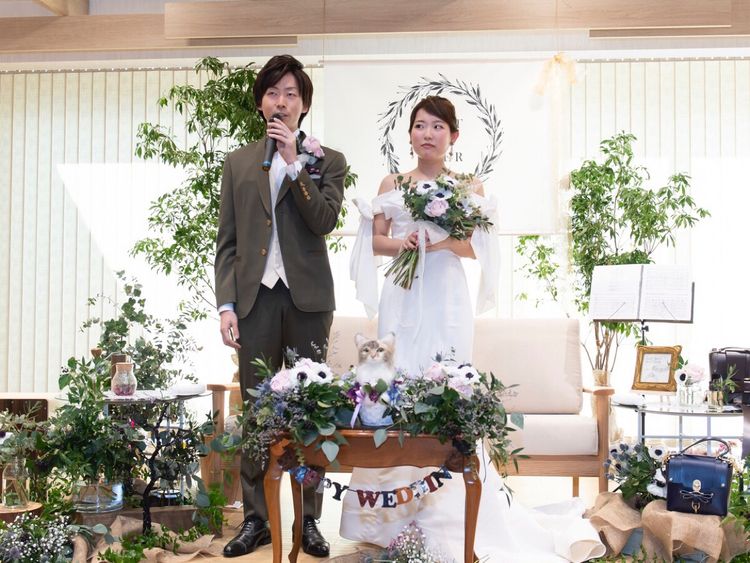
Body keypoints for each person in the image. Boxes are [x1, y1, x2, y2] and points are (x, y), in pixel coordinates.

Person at [345, 96, 605, 562]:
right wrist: (405, 241)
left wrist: (443, 239)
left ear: (453, 136)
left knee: (445, 383)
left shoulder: (469, 186)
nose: (427, 134)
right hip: (401, 295)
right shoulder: (391, 182)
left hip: (446, 296)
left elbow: (476, 248)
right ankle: (387, 520)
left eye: (437, 126)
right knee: (395, 384)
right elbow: (377, 242)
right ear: (409, 134)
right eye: (419, 125)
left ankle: (449, 514)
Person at [215, 54, 347, 558]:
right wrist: (226, 305)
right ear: (260, 103)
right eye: (273, 93)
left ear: (304, 104)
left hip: (308, 301)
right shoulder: (238, 163)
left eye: (291, 93)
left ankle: (308, 520)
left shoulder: (327, 160)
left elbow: (324, 221)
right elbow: (228, 242)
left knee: (310, 410)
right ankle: (257, 520)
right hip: (255, 300)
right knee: (257, 413)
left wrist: (294, 164)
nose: (281, 101)